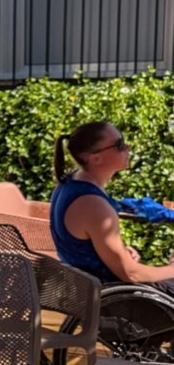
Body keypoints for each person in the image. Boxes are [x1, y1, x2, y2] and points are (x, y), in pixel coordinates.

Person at [51, 121, 174, 294]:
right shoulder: (92, 203)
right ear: (95, 158)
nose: (127, 147)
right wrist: (171, 270)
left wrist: (120, 254)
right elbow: (131, 274)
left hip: (92, 292)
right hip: (117, 298)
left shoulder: (70, 185)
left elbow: (84, 246)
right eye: (119, 144)